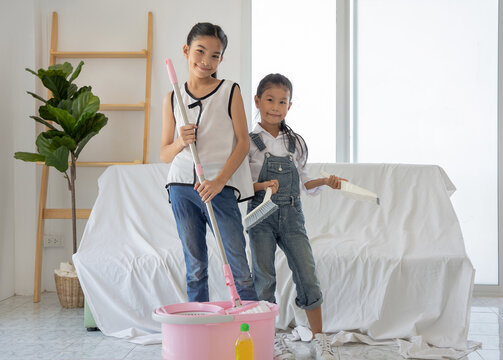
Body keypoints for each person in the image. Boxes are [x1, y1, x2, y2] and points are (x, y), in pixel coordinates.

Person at [248, 73, 345, 360]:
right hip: (260, 215)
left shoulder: (296, 143)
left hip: (292, 215)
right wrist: (263, 186)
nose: (276, 107)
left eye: (283, 101)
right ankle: (268, 341)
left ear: (289, 106)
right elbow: (240, 184)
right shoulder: (249, 142)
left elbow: (302, 182)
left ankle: (319, 340)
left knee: (307, 274)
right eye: (270, 100)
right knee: (263, 280)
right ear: (257, 101)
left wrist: (325, 181)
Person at [160, 22, 257, 302]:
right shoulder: (172, 98)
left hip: (218, 187)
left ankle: (250, 326)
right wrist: (181, 141)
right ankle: (198, 329)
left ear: (221, 59)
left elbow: (243, 142)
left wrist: (219, 182)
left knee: (238, 266)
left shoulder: (230, 90)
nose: (206, 61)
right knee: (195, 268)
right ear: (186, 50)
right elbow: (165, 153)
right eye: (200, 51)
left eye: (215, 55)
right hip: (181, 188)